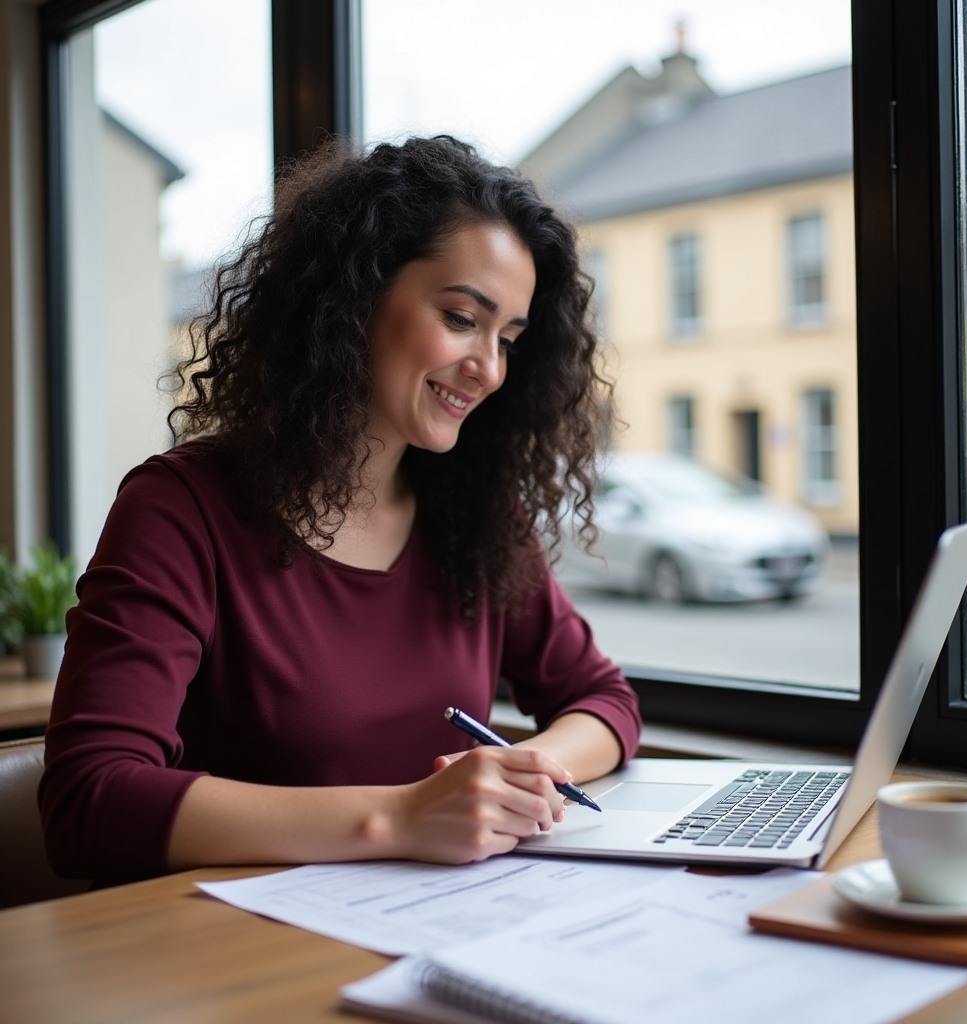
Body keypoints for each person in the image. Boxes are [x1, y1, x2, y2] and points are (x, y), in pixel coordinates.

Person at [39, 136, 642, 885]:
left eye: (508, 339)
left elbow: (604, 699)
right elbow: (88, 804)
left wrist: (521, 775)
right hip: (233, 954)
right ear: (353, 298)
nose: (489, 369)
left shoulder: (477, 515)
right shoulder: (181, 509)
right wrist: (400, 818)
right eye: (461, 318)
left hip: (431, 926)